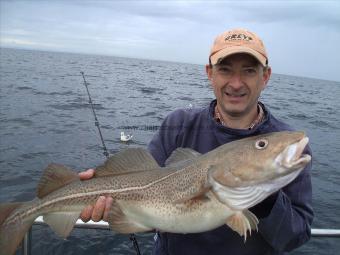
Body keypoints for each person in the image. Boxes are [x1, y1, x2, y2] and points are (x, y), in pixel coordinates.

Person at [79, 28, 313, 255]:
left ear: (266, 76)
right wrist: (104, 194)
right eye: (225, 70)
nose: (236, 83)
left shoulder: (287, 148)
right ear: (210, 73)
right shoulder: (179, 124)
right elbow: (146, 192)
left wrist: (266, 200)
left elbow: (295, 237)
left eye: (249, 71)